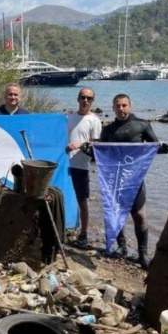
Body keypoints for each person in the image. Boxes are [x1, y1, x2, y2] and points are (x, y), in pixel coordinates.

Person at [98, 93, 168, 269]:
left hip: (135, 179)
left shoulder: (142, 125)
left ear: (130, 106)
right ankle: (122, 247)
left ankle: (143, 254)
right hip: (114, 179)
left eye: (124, 105)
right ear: (113, 108)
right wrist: (88, 150)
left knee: (140, 216)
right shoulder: (108, 130)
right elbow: (101, 154)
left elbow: (154, 147)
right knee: (116, 213)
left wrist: (163, 148)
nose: (121, 109)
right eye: (118, 106)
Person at [67, 87, 102, 249]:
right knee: (63, 196)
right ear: (78, 99)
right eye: (83, 97)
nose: (85, 101)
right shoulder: (69, 117)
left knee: (82, 200)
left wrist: (80, 146)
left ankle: (83, 233)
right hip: (64, 164)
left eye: (89, 98)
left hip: (81, 166)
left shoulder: (94, 121)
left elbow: (96, 146)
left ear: (92, 101)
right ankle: (65, 227)